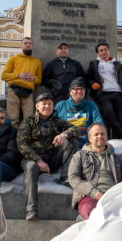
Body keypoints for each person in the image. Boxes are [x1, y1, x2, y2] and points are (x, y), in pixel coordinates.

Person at [17, 90, 79, 221]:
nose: (47, 106)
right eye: (43, 104)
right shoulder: (28, 122)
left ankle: (65, 177)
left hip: (52, 159)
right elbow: (22, 144)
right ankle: (31, 210)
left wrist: (64, 134)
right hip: (33, 159)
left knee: (71, 140)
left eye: (50, 104)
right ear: (37, 106)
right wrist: (38, 160)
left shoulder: (57, 121)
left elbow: (76, 129)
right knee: (30, 167)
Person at [68, 123, 122, 220]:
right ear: (90, 138)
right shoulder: (79, 156)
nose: (100, 136)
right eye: (96, 134)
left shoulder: (116, 158)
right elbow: (73, 179)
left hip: (112, 196)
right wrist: (95, 193)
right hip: (88, 196)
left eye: (102, 134)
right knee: (93, 214)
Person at [84, 41, 122, 140]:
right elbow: (87, 78)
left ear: (109, 51)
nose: (104, 52)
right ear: (98, 53)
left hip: (119, 94)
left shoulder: (117, 64)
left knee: (119, 118)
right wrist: (93, 84)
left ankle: (117, 142)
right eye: (101, 51)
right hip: (104, 94)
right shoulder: (94, 64)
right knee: (108, 113)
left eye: (105, 50)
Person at [1, 36, 42, 125]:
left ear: (32, 46)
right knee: (12, 118)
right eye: (25, 43)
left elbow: (39, 80)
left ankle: (25, 138)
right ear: (21, 45)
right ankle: (12, 138)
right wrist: (19, 76)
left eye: (30, 43)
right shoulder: (13, 59)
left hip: (28, 93)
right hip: (13, 90)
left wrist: (33, 78)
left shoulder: (37, 62)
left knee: (29, 119)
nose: (28, 45)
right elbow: (4, 76)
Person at [55, 78, 104, 148]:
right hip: (66, 146)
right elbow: (51, 122)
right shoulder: (61, 105)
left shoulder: (91, 105)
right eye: (76, 89)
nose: (79, 91)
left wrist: (102, 138)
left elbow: (98, 122)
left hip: (86, 146)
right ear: (70, 92)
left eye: (82, 89)